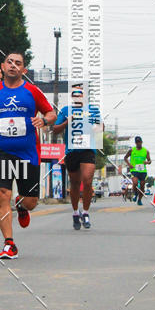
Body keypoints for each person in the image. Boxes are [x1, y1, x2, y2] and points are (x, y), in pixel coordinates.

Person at [0, 53, 56, 259]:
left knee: (31, 202)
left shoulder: (32, 91)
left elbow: (51, 113)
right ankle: (9, 244)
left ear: (23, 70)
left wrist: (44, 121)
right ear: (2, 66)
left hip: (28, 153)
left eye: (18, 63)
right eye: (9, 62)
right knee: (2, 195)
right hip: (1, 152)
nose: (13, 65)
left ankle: (21, 205)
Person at [52, 90, 102, 229]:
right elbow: (55, 129)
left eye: (80, 95)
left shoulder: (92, 110)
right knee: (74, 183)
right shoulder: (66, 110)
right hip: (72, 151)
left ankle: (85, 212)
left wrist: (96, 128)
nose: (78, 97)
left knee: (87, 181)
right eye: (75, 95)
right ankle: (75, 212)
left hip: (88, 149)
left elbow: (100, 127)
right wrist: (67, 122)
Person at [124, 136, 151, 205]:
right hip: (134, 170)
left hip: (143, 171)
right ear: (135, 143)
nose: (138, 143)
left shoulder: (146, 151)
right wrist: (129, 164)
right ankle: (135, 194)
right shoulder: (132, 150)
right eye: (137, 142)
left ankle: (139, 200)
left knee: (142, 186)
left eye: (139, 142)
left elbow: (149, 161)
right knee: (135, 183)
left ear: (142, 142)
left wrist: (147, 162)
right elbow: (125, 158)